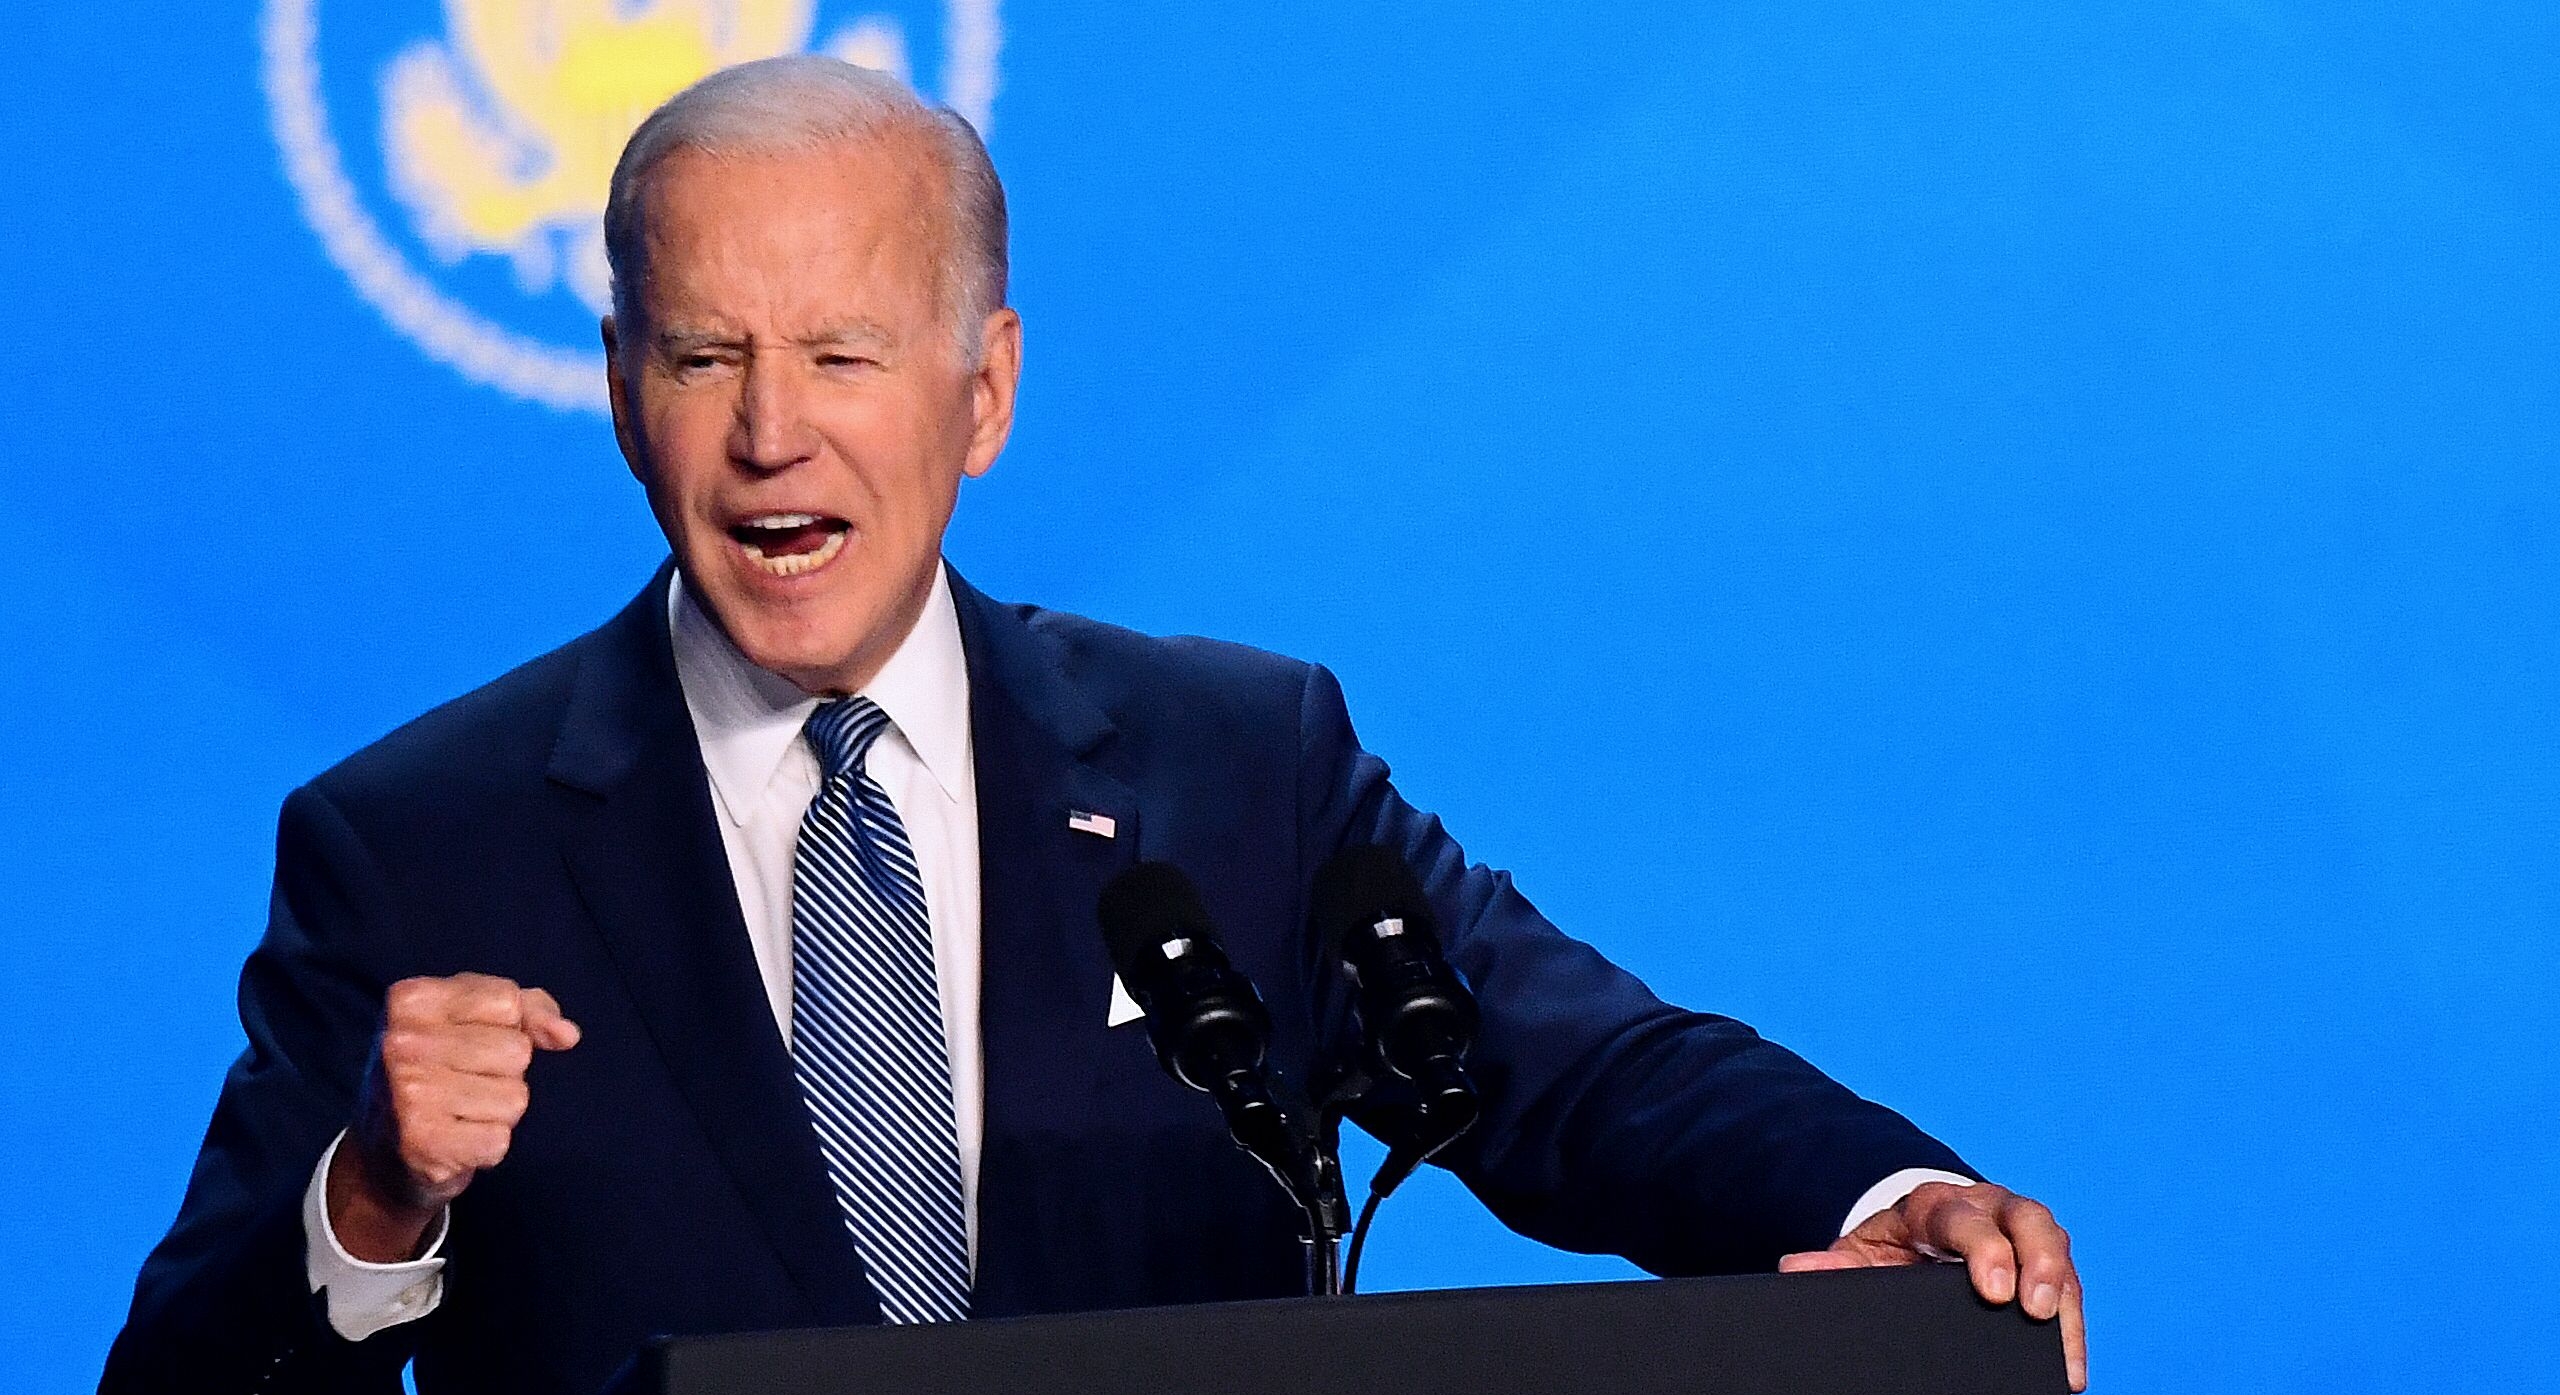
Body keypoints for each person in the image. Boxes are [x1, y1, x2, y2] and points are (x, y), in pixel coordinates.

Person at [102, 56, 2086, 1395]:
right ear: (622, 385)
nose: (770, 429)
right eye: (705, 355)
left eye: (843, 355)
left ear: (982, 392)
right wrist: (370, 1201)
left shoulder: (1237, 765)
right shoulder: (420, 837)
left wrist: (1873, 1198)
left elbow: (1567, 1066)